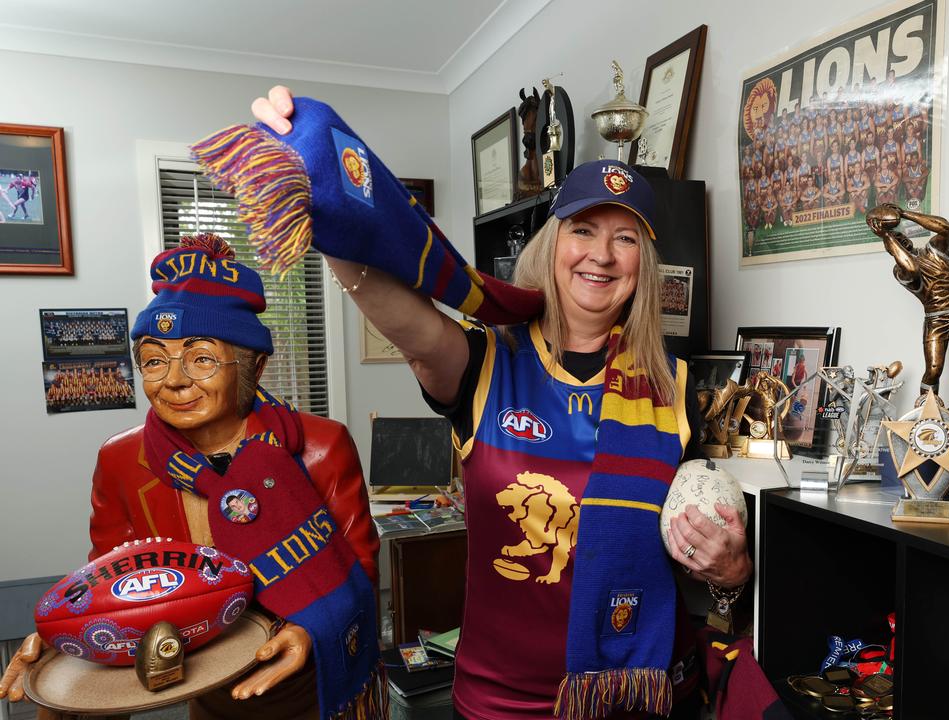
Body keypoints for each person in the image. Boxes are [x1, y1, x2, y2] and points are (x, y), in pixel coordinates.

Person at [249, 87, 751, 720]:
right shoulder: (486, 361)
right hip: (502, 701)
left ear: (642, 267)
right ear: (551, 243)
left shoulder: (676, 389)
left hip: (640, 695)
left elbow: (702, 554)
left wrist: (731, 572)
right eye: (585, 230)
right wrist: (323, 197)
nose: (601, 254)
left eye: (625, 239)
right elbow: (405, 321)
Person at [0, 234, 382, 720]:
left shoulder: (322, 447)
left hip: (316, 686)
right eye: (155, 360)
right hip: (208, 690)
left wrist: (313, 628)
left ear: (255, 365)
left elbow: (360, 570)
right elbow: (112, 587)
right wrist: (68, 638)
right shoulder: (120, 460)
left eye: (201, 359)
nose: (174, 381)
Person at [866, 203, 949, 396]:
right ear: (892, 250)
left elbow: (946, 229)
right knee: (934, 370)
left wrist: (904, 214)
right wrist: (886, 235)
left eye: (900, 235)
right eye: (895, 241)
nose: (899, 239)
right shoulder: (900, 271)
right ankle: (925, 410)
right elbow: (912, 268)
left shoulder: (934, 251)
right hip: (936, 321)